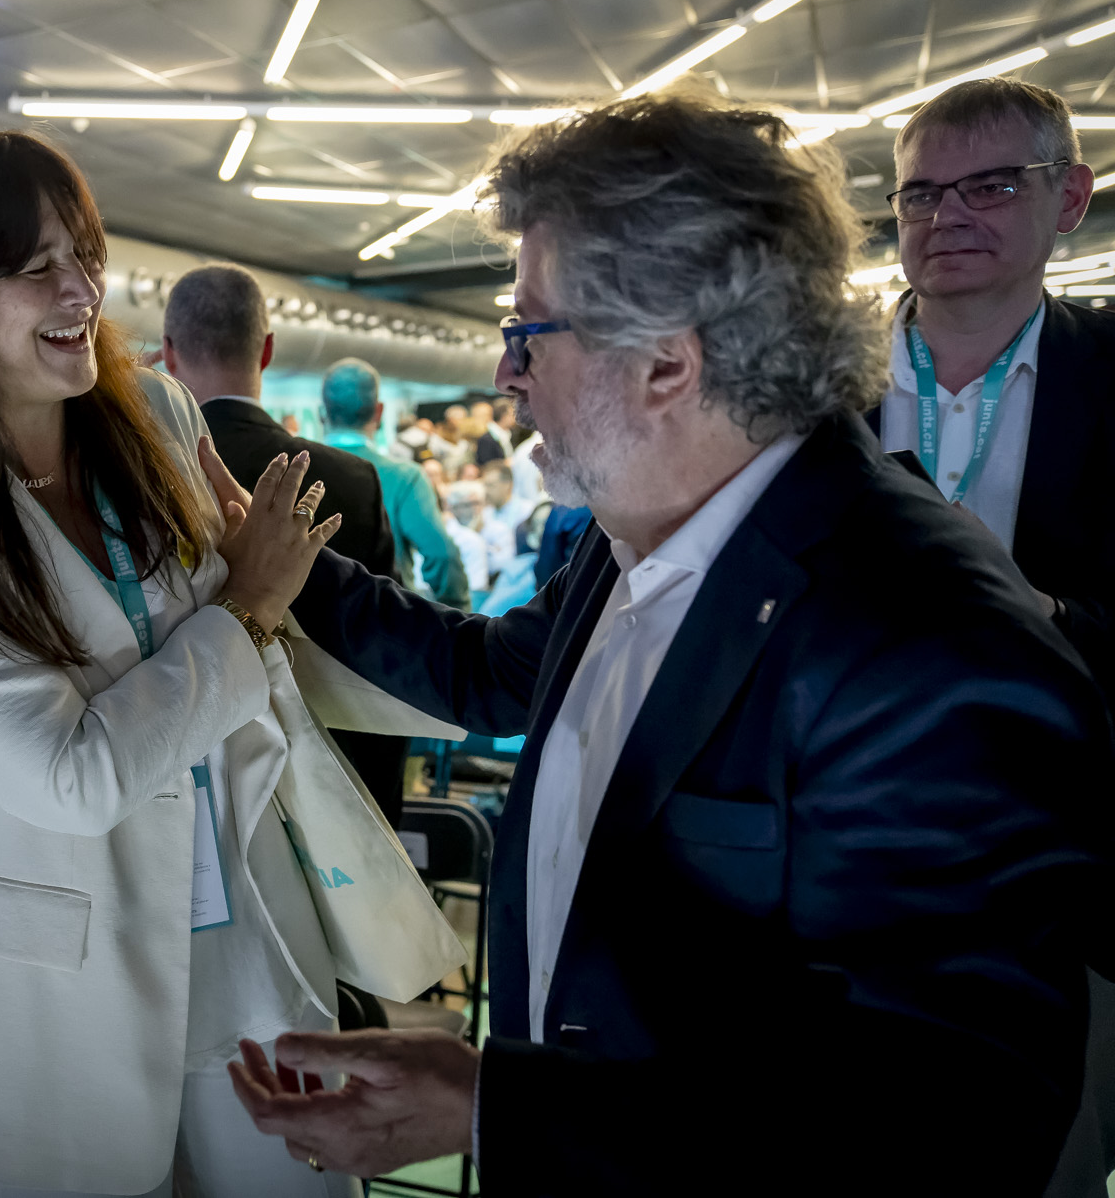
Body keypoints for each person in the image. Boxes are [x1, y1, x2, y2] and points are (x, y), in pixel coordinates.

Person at [226, 92, 1111, 1194]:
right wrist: (282, 568)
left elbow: (939, 1122)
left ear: (663, 366)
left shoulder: (926, 644)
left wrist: (499, 1105)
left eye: (527, 332)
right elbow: (493, 671)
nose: (506, 375)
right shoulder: (637, 534)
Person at [0, 127, 355, 1198]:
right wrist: (246, 606)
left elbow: (268, 644)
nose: (80, 289)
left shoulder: (155, 416)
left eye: (87, 253)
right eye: (34, 267)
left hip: (243, 934)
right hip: (55, 980)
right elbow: (70, 779)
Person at [866, 78, 1115, 1198]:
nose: (944, 215)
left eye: (988, 186)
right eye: (919, 193)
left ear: (1068, 198)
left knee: (1047, 1161)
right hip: (845, 847)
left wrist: (1038, 608)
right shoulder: (809, 383)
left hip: (1061, 863)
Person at [158, 260, 407, 823]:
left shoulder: (128, 477)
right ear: (266, 350)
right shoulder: (350, 481)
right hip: (319, 794)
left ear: (168, 353)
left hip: (180, 791)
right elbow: (383, 656)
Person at [320, 359, 469, 609]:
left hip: (311, 633)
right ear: (379, 412)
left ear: (321, 413)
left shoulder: (296, 473)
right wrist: (457, 611)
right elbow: (442, 555)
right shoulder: (405, 477)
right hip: (388, 624)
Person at [441, 479, 491, 598]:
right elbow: (476, 587)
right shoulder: (470, 539)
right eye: (468, 505)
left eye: (478, 503)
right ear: (452, 508)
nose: (476, 509)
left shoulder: (494, 528)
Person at [479, 458, 533, 566]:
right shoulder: (484, 514)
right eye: (485, 485)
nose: (486, 491)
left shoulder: (527, 511)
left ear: (508, 485)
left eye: (491, 485)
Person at [467, 399, 508, 466]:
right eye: (485, 415)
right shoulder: (480, 437)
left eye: (490, 415)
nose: (489, 418)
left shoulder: (494, 434)